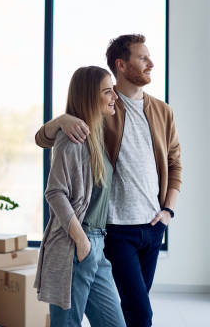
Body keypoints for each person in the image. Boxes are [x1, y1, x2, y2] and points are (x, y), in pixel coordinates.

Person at [35, 34, 182, 327]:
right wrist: (61, 120)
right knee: (139, 313)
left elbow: (175, 164)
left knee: (131, 310)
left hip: (150, 228)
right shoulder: (104, 111)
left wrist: (167, 212)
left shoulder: (162, 111)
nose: (151, 63)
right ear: (122, 65)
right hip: (110, 230)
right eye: (143, 58)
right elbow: (45, 141)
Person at [33, 66, 126, 327]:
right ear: (89, 97)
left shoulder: (96, 133)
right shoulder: (72, 137)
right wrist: (82, 242)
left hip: (97, 245)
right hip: (76, 244)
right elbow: (54, 192)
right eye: (108, 92)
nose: (114, 97)